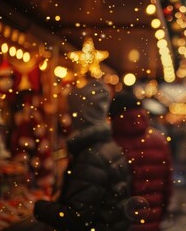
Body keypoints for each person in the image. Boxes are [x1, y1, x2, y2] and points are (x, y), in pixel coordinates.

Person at [30, 78, 131, 230]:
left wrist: (39, 206)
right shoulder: (108, 146)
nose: (68, 117)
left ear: (81, 114)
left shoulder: (91, 156)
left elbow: (76, 218)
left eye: (71, 111)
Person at [109, 91, 173, 231]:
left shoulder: (112, 143)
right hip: (152, 218)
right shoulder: (159, 140)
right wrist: (161, 211)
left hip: (122, 222)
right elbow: (168, 185)